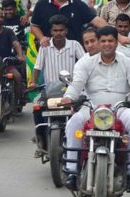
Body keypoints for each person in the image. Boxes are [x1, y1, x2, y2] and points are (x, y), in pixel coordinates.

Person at [61, 26, 130, 191]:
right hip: (91, 107)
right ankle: (72, 171)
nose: (107, 44)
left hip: (119, 108)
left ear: (117, 43)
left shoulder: (127, 62)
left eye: (111, 41)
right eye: (103, 41)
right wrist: (69, 97)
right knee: (74, 122)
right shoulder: (85, 63)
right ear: (99, 43)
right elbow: (77, 83)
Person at [27, 14, 85, 157]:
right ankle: (41, 140)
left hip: (71, 90)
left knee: (83, 111)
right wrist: (33, 81)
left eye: (61, 30)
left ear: (66, 31)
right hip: (50, 91)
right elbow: (38, 67)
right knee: (36, 107)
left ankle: (82, 142)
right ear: (51, 31)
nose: (58, 33)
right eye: (55, 30)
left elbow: (85, 64)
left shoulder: (75, 45)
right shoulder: (45, 47)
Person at [30, 0, 130, 47]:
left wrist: (119, 36)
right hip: (49, 51)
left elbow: (97, 21)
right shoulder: (41, 4)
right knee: (50, 87)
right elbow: (34, 26)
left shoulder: (78, 5)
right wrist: (42, 38)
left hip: (74, 53)